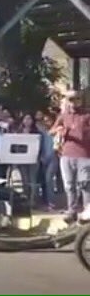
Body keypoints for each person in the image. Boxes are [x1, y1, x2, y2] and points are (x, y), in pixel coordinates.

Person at [53, 91, 90, 223]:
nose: (74, 102)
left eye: (77, 99)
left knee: (85, 184)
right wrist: (59, 131)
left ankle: (87, 212)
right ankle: (72, 210)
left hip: (84, 154)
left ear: (81, 100)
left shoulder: (87, 114)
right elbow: (51, 130)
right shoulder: (63, 116)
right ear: (68, 101)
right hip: (66, 154)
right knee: (69, 185)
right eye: (71, 99)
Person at [17, 113, 41, 207]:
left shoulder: (36, 132)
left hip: (34, 159)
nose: (27, 121)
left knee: (33, 180)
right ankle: (26, 200)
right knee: (24, 180)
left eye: (29, 119)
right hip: (22, 159)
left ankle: (33, 200)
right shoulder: (18, 132)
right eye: (25, 119)